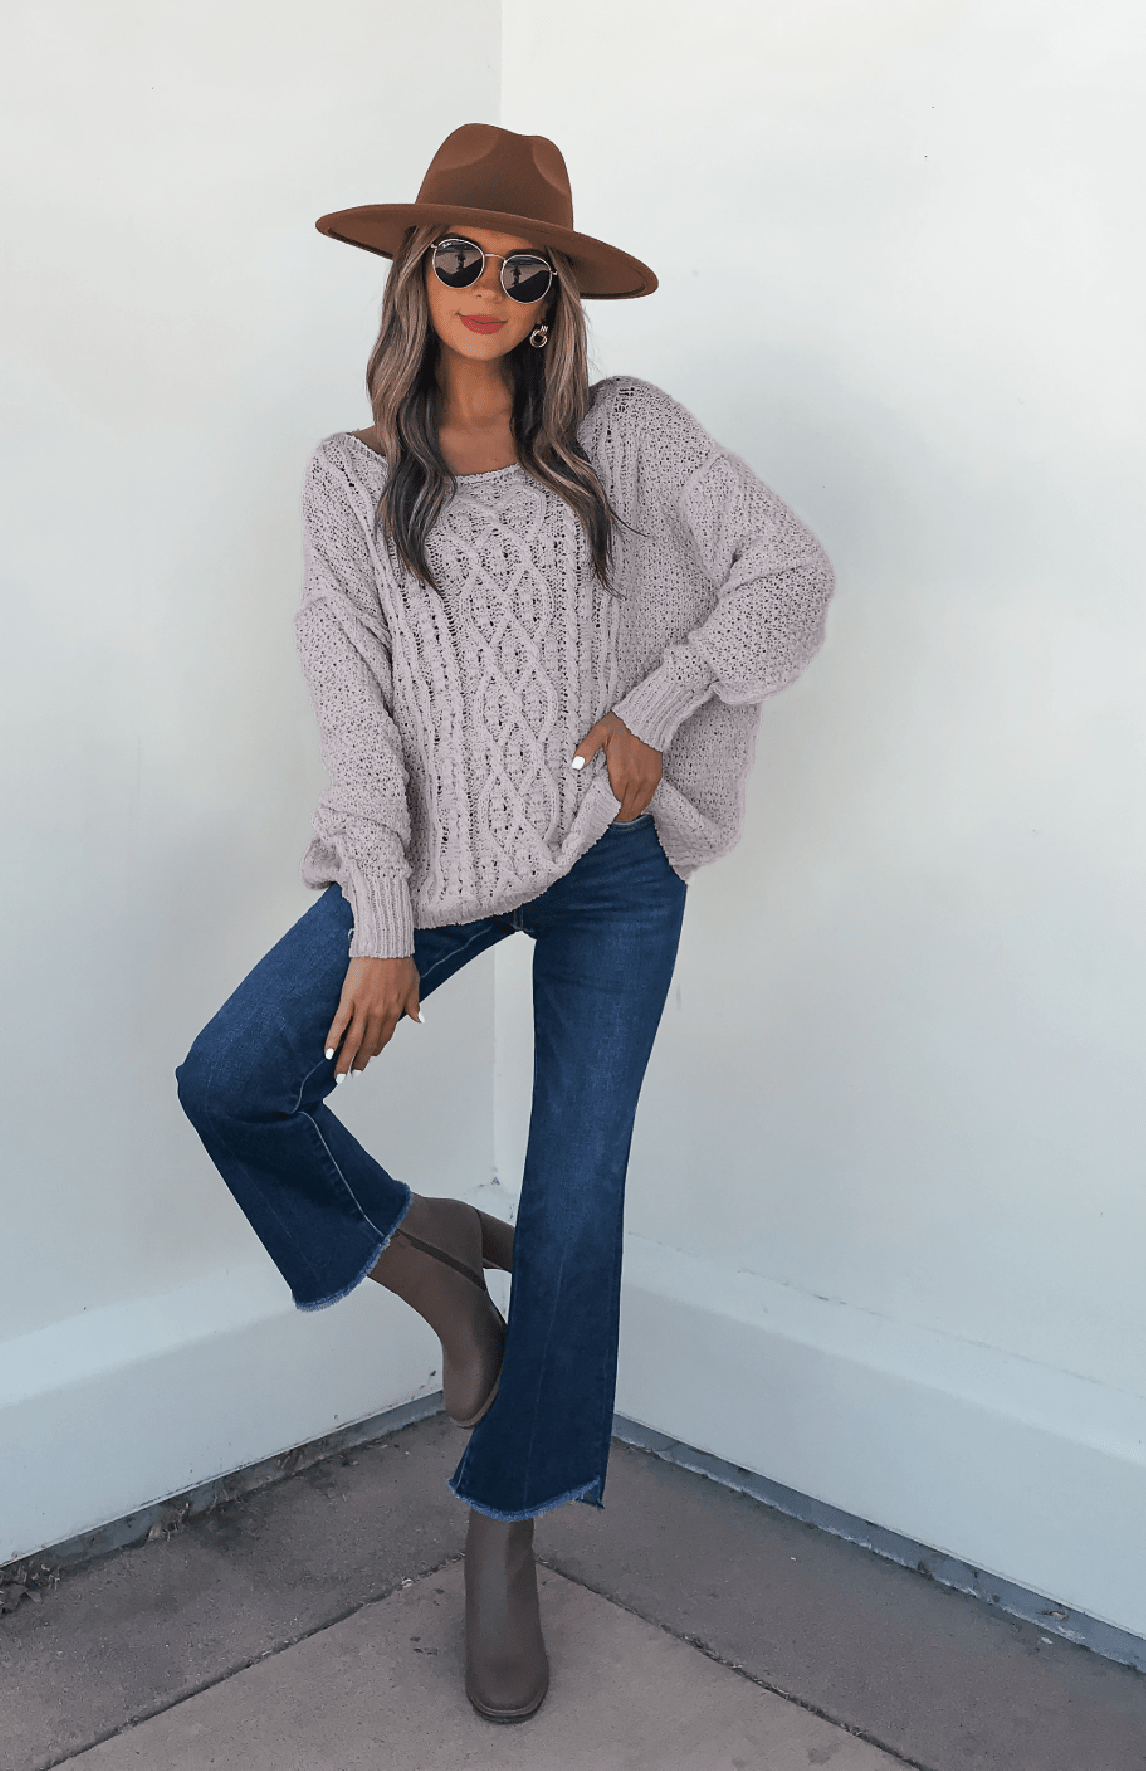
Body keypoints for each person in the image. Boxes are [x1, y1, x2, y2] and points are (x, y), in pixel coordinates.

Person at [176, 122, 834, 1723]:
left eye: (519, 268)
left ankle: (504, 1531)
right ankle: (443, 1271)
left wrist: (655, 709)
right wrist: (384, 919)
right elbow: (351, 704)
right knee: (236, 1077)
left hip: (610, 860)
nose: (483, 284)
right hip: (438, 864)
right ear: (415, 276)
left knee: (579, 1191)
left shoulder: (625, 431)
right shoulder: (351, 479)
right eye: (453, 256)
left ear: (553, 301)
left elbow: (792, 577)